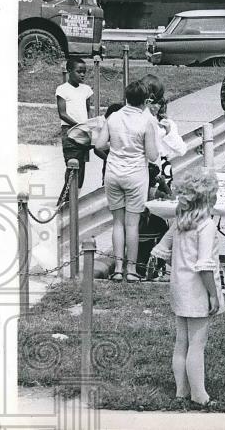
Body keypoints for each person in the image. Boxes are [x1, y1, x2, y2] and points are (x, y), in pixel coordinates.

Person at [150, 168, 223, 407]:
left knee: (181, 340)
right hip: (197, 289)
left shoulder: (180, 222)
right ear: (208, 197)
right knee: (198, 343)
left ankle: (181, 388)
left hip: (179, 286)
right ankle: (199, 393)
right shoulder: (206, 225)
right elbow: (204, 265)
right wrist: (213, 294)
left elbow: (162, 248)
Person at [94, 80, 160, 282]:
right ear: (145, 101)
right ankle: (131, 270)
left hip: (113, 173)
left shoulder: (114, 116)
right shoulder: (146, 121)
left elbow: (99, 144)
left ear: (127, 98)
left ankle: (118, 268)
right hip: (136, 175)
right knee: (132, 225)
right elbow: (153, 155)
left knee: (117, 223)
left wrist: (116, 150)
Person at [56, 57, 94, 194]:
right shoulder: (62, 89)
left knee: (81, 170)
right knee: (72, 167)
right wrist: (79, 125)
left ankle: (74, 203)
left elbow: (88, 110)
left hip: (84, 133)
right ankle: (64, 203)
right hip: (70, 132)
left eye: (84, 72)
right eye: (79, 71)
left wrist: (90, 126)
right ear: (69, 71)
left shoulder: (86, 90)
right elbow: (62, 113)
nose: (82, 74)